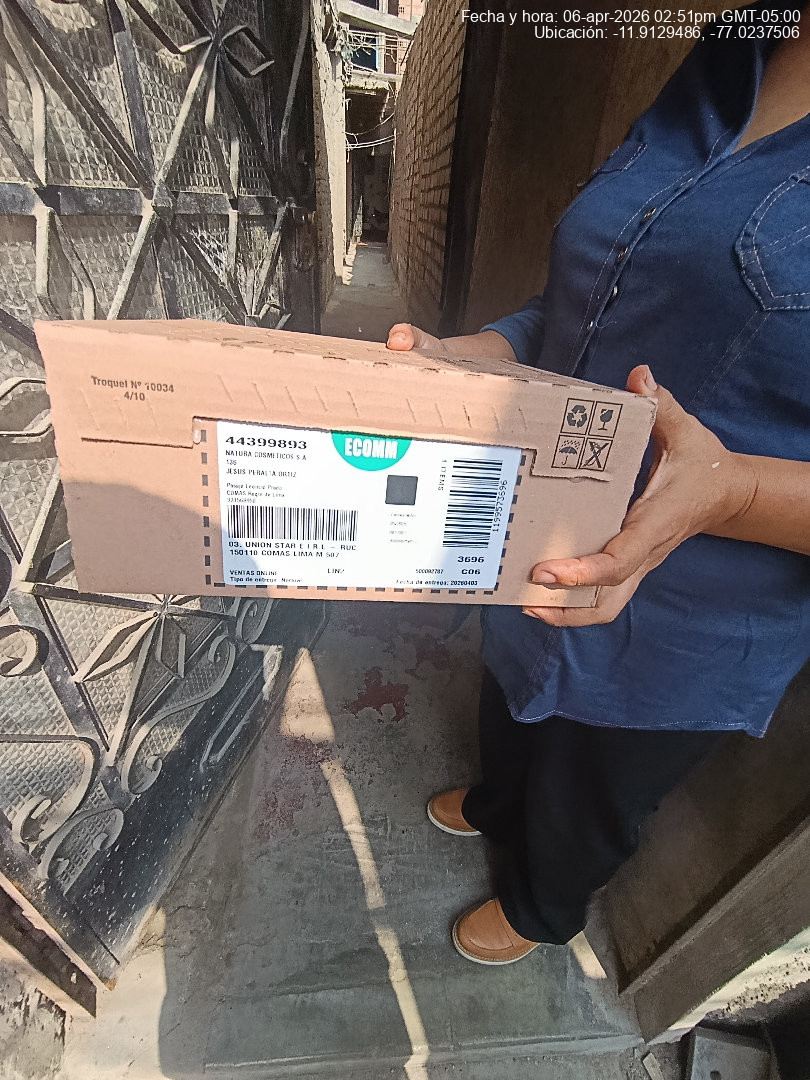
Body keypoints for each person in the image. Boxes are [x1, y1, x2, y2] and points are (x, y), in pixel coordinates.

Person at [386, 0, 810, 964]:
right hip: (543, 523)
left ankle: (541, 906)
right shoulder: (737, 49)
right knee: (509, 699)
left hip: (688, 619)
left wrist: (734, 488)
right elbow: (607, 290)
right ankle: (499, 803)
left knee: (589, 790)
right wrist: (492, 349)